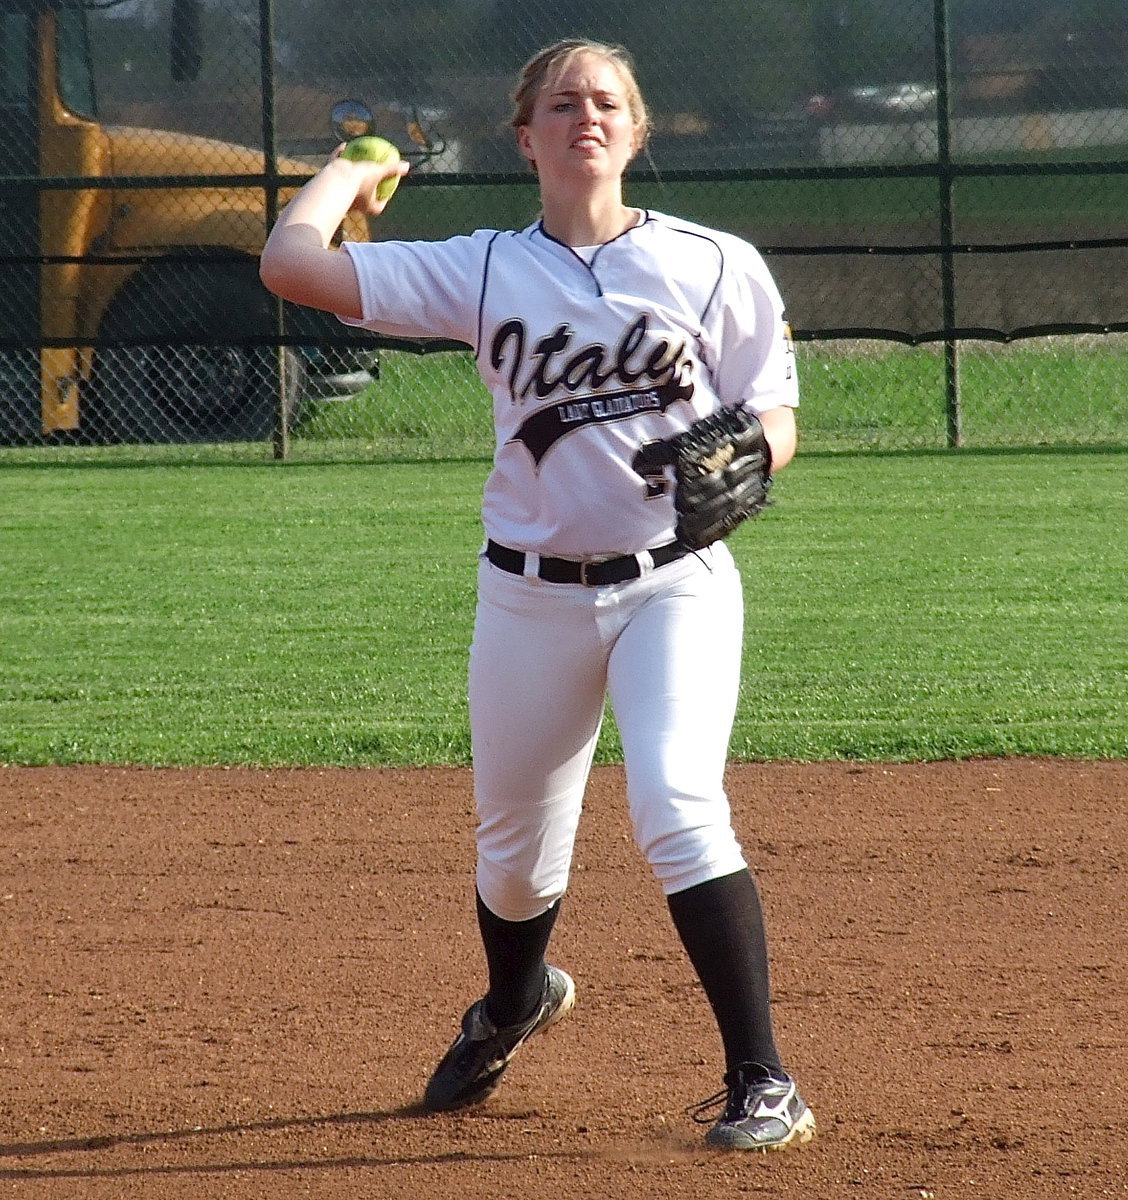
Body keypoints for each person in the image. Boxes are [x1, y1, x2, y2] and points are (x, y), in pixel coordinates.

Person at [259, 37, 814, 1153]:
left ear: (638, 130)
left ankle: (764, 1078)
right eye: (562, 104)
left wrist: (762, 452)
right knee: (515, 857)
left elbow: (775, 408)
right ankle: (515, 1001)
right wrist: (352, 165)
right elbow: (292, 265)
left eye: (607, 100)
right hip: (529, 599)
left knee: (676, 801)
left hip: (676, 585)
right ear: (526, 138)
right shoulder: (484, 269)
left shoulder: (715, 263)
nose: (586, 116)